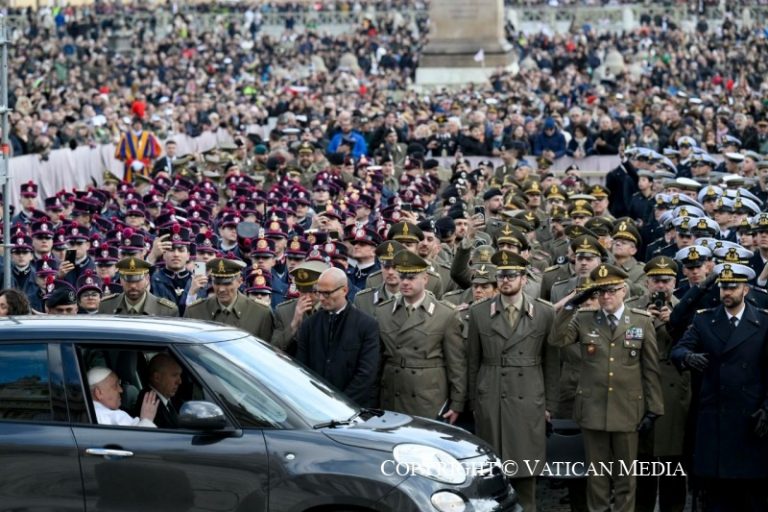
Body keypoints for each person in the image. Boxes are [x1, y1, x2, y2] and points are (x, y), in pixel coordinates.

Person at [553, 263, 663, 512]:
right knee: (597, 477)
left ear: (623, 290)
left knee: (625, 477)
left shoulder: (641, 321)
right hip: (593, 409)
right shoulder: (584, 319)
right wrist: (569, 306)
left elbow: (650, 369)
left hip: (627, 409)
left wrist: (654, 408)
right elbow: (557, 339)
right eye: (600, 292)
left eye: (611, 290)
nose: (606, 296)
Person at [671, 263, 768, 511]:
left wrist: (767, 408)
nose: (727, 292)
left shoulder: (763, 322)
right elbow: (679, 349)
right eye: (724, 287)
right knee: (717, 496)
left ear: (745, 290)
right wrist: (687, 357)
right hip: (716, 415)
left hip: (751, 416)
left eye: (733, 287)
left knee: (752, 495)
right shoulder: (705, 319)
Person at [467, 250, 557, 512]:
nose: (505, 280)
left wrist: (549, 404)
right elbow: (473, 361)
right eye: (501, 276)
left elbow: (552, 363)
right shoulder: (479, 312)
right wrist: (475, 401)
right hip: (491, 395)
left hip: (528, 396)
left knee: (526, 475)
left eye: (511, 275)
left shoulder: (544, 312)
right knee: (492, 476)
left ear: (524, 279)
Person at [375, 250, 464, 422]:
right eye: (402, 277)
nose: (405, 282)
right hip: (392, 394)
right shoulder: (383, 311)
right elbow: (377, 361)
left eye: (411, 278)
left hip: (427, 397)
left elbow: (456, 364)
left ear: (425, 279)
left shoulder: (445, 314)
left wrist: (457, 403)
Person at [296, 267, 380, 407]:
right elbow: (303, 368)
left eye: (327, 293)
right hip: (315, 405)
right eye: (318, 292)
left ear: (344, 290)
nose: (321, 298)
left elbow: (366, 374)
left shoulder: (366, 325)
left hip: (352, 407)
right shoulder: (309, 325)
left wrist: (340, 404)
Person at [184, 257, 274, 341]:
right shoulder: (195, 312)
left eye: (227, 283)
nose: (221, 289)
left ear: (240, 281)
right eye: (217, 283)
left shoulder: (261, 313)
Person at [271, 260, 330, 355]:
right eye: (303, 291)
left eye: (311, 291)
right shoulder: (283, 311)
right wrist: (294, 325)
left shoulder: (330, 308)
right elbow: (274, 348)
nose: (307, 296)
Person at [99, 257, 180, 316]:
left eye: (138, 280)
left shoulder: (166, 311)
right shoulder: (106, 306)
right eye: (128, 280)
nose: (133, 286)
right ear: (121, 280)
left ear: (147, 279)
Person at [88, 367, 158, 428]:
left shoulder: (89, 413)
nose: (121, 390)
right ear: (99, 393)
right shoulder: (113, 417)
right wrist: (146, 420)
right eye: (115, 386)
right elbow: (139, 438)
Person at [136, 354, 183, 429]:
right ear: (157, 377)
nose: (179, 381)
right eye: (174, 375)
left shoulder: (172, 400)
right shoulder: (148, 404)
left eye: (180, 375)